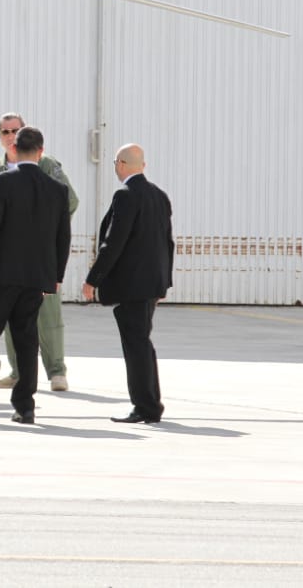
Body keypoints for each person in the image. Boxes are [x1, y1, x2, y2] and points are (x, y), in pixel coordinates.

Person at [0, 126, 71, 424]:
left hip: (1, 276)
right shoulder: (57, 189)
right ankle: (25, 406)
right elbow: (63, 238)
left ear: (14, 150)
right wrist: (55, 277)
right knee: (26, 341)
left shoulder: (3, 182)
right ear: (41, 151)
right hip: (36, 279)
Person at [82, 143, 173, 424]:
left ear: (120, 165)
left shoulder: (125, 196)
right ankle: (150, 403)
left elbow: (113, 243)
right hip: (151, 284)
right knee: (142, 342)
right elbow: (167, 243)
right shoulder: (159, 196)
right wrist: (164, 283)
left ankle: (145, 405)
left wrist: (92, 280)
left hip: (132, 286)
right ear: (142, 166)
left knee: (136, 346)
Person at [0, 112, 78, 392]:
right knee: (11, 320)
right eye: (5, 132)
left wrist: (46, 232)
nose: (11, 136)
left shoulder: (47, 164)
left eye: (16, 130)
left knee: (48, 316)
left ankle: (56, 371)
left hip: (41, 255)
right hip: (10, 259)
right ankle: (17, 372)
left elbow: (69, 201)